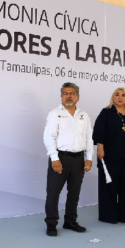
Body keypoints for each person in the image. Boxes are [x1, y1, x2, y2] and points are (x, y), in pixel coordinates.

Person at [43, 82, 93, 237]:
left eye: (72, 93)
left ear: (78, 97)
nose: (68, 96)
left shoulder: (84, 115)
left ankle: (70, 221)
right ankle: (51, 223)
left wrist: (89, 158)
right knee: (53, 192)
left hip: (79, 158)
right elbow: (49, 137)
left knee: (74, 192)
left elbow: (89, 138)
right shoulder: (55, 114)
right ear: (61, 97)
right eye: (65, 93)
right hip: (61, 158)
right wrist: (54, 159)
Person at [93, 87, 125, 225]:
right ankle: (109, 216)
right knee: (109, 187)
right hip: (110, 156)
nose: (120, 97)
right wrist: (100, 148)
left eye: (123, 95)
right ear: (112, 97)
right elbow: (99, 131)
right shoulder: (106, 113)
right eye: (117, 95)